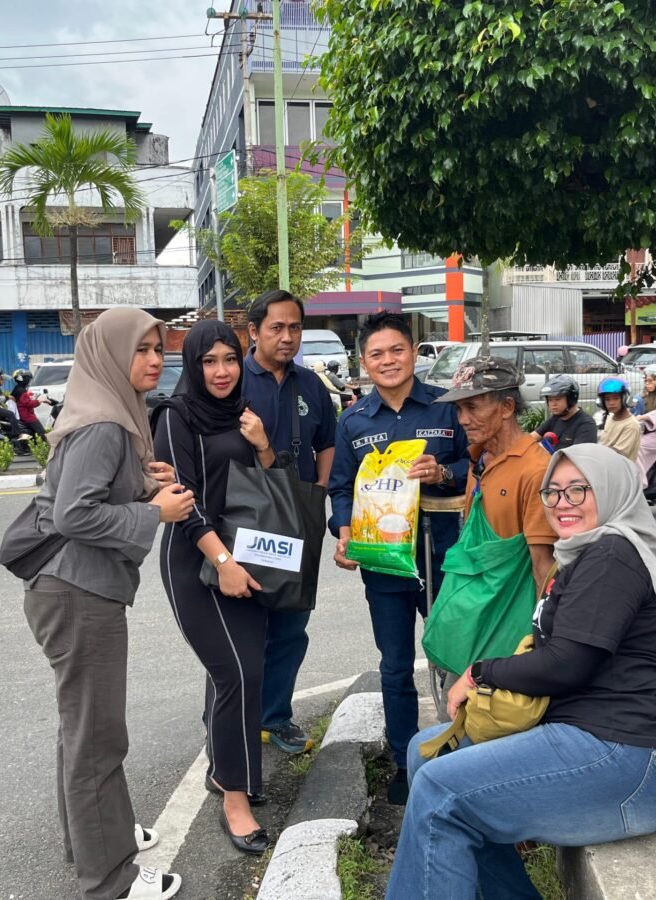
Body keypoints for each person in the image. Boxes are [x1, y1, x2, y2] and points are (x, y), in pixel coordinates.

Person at [387, 444, 656, 900]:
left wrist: (480, 673)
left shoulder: (613, 554)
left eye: (578, 490)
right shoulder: (585, 555)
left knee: (439, 790)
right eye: (553, 492)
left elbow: (567, 664)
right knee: (427, 754)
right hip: (590, 738)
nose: (563, 503)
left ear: (611, 490)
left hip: (630, 758)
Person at [17, 308, 195, 900]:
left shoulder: (109, 411)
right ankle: (109, 879)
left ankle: (98, 834)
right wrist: (154, 512)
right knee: (97, 736)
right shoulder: (104, 426)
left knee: (82, 728)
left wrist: (145, 485)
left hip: (69, 587)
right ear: (110, 356)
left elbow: (89, 494)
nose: (154, 360)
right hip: (79, 592)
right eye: (140, 349)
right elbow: (74, 514)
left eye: (158, 348)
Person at [329, 312, 470, 804]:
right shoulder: (353, 421)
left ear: (413, 352)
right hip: (384, 562)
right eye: (377, 354)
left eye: (397, 350)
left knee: (456, 657)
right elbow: (340, 487)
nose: (388, 361)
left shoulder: (446, 408)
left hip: (446, 557)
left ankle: (465, 752)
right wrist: (344, 531)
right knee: (394, 665)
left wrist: (444, 474)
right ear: (364, 361)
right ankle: (406, 762)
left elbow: (475, 463)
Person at [153, 320, 277, 856]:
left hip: (245, 555)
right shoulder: (175, 416)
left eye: (230, 359)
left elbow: (269, 485)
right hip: (196, 559)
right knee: (237, 673)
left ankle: (224, 769)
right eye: (209, 361)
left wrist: (264, 446)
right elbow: (182, 502)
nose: (222, 371)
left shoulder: (245, 412)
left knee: (242, 667)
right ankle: (235, 798)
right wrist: (222, 561)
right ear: (194, 365)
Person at [241, 290, 337, 755]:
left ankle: (275, 717)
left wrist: (319, 490)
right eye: (276, 327)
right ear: (253, 331)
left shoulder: (311, 385)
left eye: (294, 327)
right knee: (242, 625)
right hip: (246, 519)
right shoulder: (233, 378)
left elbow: (328, 442)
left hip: (299, 516)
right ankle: (233, 719)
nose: (287, 337)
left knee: (291, 625)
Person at [437, 357, 556, 589]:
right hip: (476, 596)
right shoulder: (479, 458)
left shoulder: (536, 470)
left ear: (507, 407)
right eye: (458, 409)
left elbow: (543, 567)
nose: (462, 420)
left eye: (472, 407)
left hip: (513, 604)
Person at [532, 375, 597, 449]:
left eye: (557, 399)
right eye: (550, 400)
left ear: (571, 399)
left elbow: (578, 454)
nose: (553, 404)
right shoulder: (555, 418)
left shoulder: (586, 424)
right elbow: (531, 438)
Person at [596, 376, 641, 462]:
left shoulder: (631, 425)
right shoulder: (610, 418)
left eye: (616, 398)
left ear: (625, 399)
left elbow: (618, 455)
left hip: (619, 467)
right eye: (607, 399)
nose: (611, 403)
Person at [12, 368, 51, 439]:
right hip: (27, 416)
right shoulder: (21, 390)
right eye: (28, 378)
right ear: (23, 379)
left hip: (23, 414)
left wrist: (30, 395)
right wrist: (40, 401)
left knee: (35, 434)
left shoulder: (18, 388)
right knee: (42, 433)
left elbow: (22, 400)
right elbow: (28, 404)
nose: (29, 381)